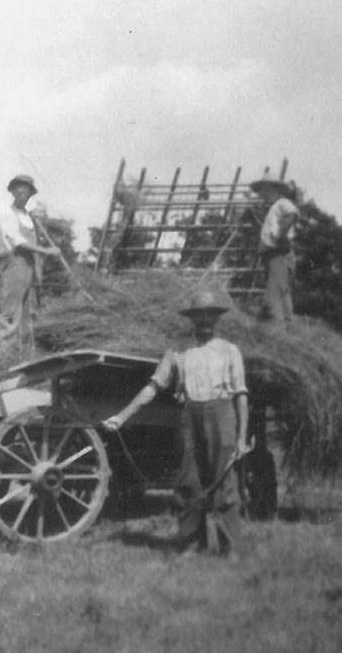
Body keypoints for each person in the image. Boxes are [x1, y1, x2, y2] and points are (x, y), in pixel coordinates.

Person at [102, 291, 250, 559]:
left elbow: (240, 395)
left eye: (210, 315)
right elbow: (153, 387)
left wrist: (241, 438)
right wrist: (122, 416)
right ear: (192, 319)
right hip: (189, 415)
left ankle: (232, 548)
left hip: (222, 414)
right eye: (199, 315)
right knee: (188, 481)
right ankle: (192, 544)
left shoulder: (230, 351)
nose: (204, 320)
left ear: (216, 318)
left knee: (224, 482)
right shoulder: (177, 352)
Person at [0, 174, 61, 356]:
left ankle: (24, 356)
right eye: (19, 189)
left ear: (31, 194)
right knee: (10, 312)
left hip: (32, 266)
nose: (23, 192)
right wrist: (48, 252)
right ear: (13, 191)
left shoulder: (30, 218)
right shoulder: (7, 215)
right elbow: (19, 242)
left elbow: (36, 239)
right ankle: (1, 357)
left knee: (29, 312)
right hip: (15, 265)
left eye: (27, 190)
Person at [251, 176, 299, 325]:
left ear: (277, 190)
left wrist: (280, 235)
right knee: (281, 291)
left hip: (278, 254)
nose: (263, 194)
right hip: (272, 255)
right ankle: (288, 327)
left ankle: (274, 327)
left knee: (274, 293)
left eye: (266, 190)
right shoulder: (273, 208)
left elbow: (293, 215)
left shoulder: (282, 203)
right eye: (262, 191)